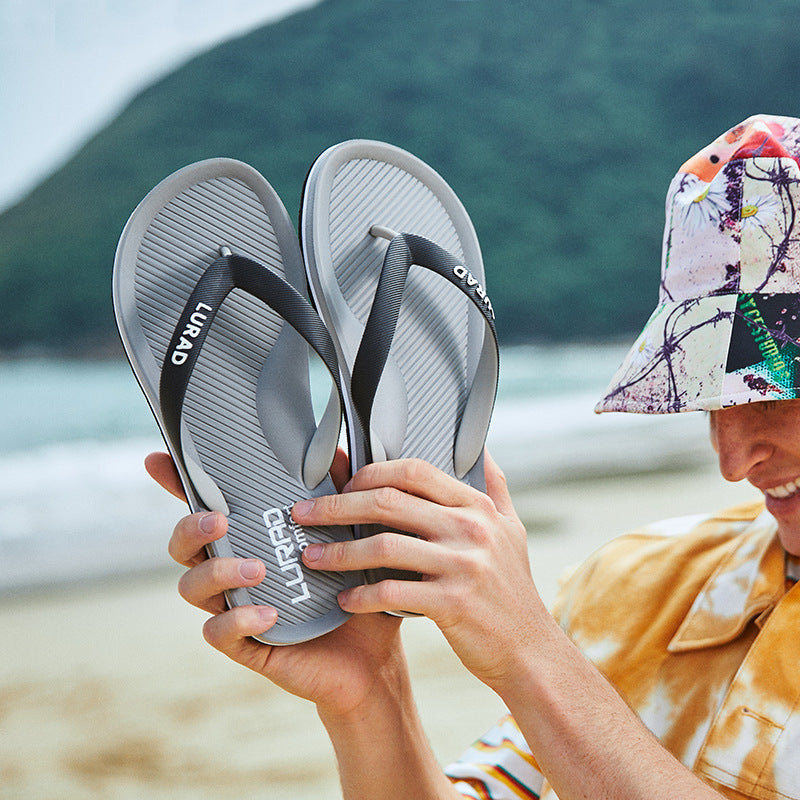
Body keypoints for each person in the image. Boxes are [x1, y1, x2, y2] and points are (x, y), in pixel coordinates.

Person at [146, 113, 800, 800]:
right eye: (711, 396)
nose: (733, 460)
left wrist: (531, 653)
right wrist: (370, 697)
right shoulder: (631, 585)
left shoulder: (577, 627)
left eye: (776, 391)